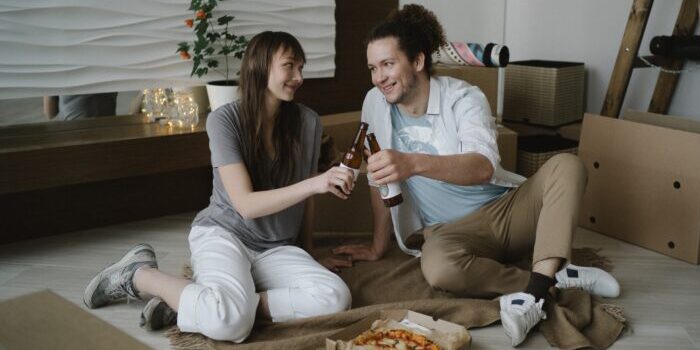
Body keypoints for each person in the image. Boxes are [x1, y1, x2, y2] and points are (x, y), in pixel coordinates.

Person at [332, 5, 621, 347]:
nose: (379, 77)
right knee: (438, 269)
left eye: (388, 64)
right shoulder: (374, 103)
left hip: (505, 212)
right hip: (447, 232)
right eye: (373, 68)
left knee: (568, 166)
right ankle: (551, 280)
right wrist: (379, 247)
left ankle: (534, 296)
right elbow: (378, 177)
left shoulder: (464, 98)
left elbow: (483, 166)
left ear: (418, 61)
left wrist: (412, 162)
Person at [82, 31, 355, 342]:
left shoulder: (308, 122)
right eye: (289, 66)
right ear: (260, 67)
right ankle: (140, 275)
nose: (299, 77)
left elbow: (308, 202)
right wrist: (315, 183)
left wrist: (309, 253)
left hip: (277, 247)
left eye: (301, 67)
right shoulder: (224, 120)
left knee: (335, 297)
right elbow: (246, 204)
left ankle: (195, 299)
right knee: (231, 325)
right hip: (225, 234)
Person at [43, 92, 119, 120]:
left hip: (72, 135)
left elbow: (50, 114)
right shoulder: (113, 60)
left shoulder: (57, 64)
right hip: (109, 131)